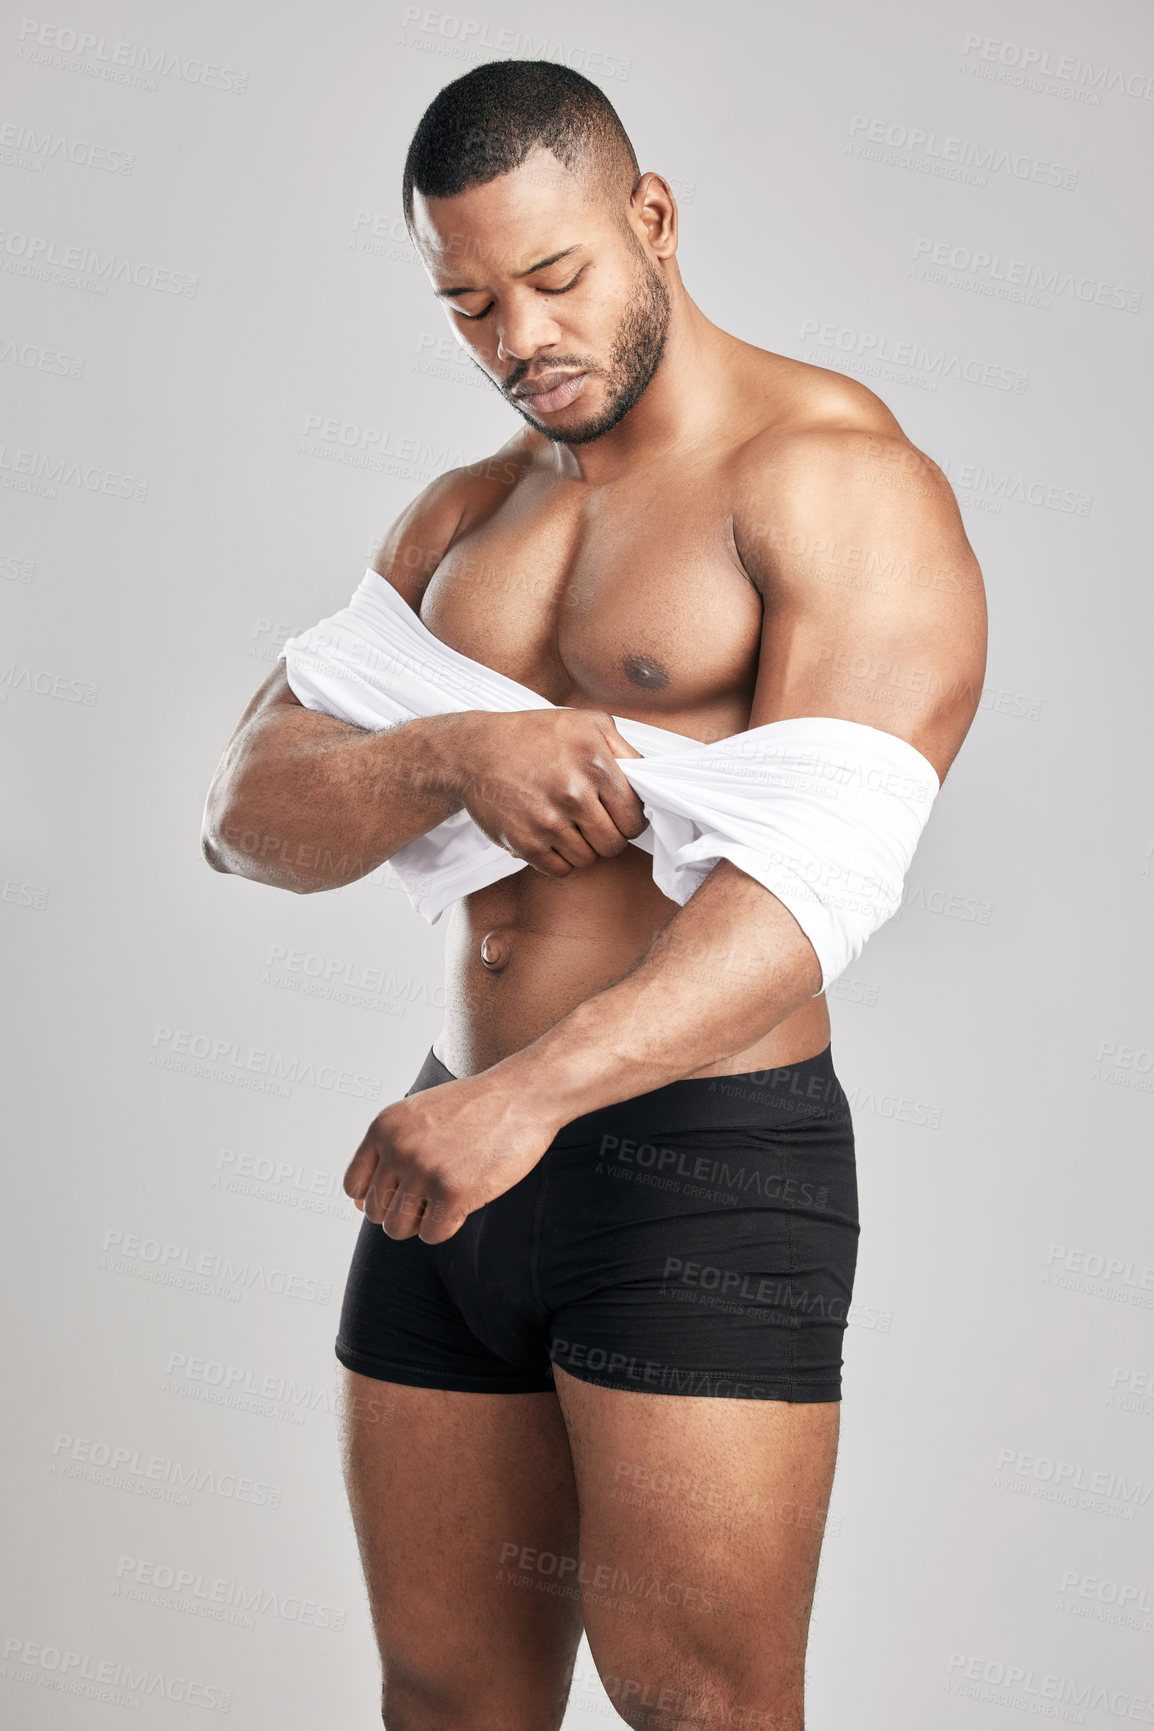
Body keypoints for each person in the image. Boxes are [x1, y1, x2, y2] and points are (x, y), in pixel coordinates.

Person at [202, 58, 986, 1731]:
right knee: (443, 1694)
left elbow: (814, 882)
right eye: (470, 301)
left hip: (691, 1167)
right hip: (452, 1152)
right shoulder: (465, 514)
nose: (519, 338)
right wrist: (451, 753)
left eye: (554, 280)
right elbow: (244, 815)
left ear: (651, 219)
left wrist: (527, 1102)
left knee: (701, 1707)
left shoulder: (836, 483)